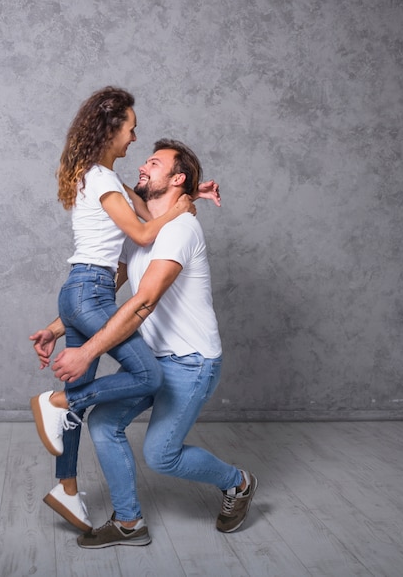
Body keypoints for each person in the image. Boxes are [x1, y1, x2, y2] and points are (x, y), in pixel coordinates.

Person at [45, 138, 257, 548]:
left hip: (192, 364)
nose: (143, 165)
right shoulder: (143, 232)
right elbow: (112, 284)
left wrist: (87, 351)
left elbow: (143, 301)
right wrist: (56, 328)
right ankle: (129, 523)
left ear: (175, 178)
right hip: (155, 359)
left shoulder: (181, 229)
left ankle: (240, 483)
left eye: (154, 163)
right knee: (104, 424)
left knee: (161, 456)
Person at [29, 87, 220, 533]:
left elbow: (156, 213)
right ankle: (56, 402)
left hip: (81, 292)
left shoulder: (99, 178)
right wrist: (185, 204)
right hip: (88, 292)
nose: (135, 140)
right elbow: (142, 231)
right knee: (145, 376)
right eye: (131, 130)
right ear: (112, 129)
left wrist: (189, 193)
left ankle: (68, 488)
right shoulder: (101, 178)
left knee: (83, 389)